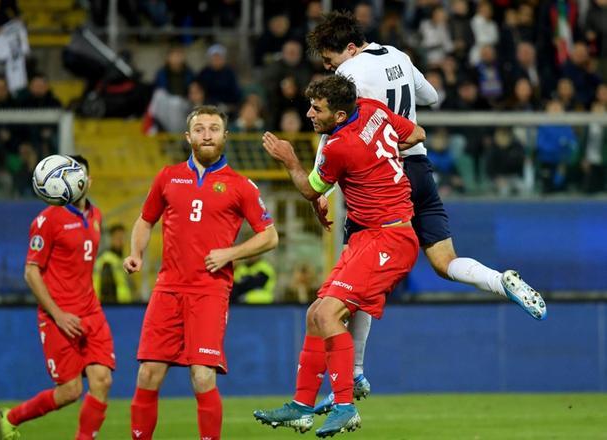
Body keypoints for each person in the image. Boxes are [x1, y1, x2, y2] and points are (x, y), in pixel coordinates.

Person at [305, 10, 547, 413]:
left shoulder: (349, 76)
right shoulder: (398, 55)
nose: (329, 68)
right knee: (443, 260)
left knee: (355, 278)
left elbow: (335, 130)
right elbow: (432, 97)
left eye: (330, 59)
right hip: (418, 167)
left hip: (381, 180)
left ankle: (356, 373)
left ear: (348, 48)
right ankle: (500, 280)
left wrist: (318, 189)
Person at [254, 74, 425, 437]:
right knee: (316, 314)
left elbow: (310, 190)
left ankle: (345, 406)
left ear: (340, 112)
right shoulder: (374, 110)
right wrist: (383, 159)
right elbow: (417, 134)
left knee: (330, 313)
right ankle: (301, 407)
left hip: (389, 237)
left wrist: (289, 159)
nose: (310, 114)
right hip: (370, 236)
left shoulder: (338, 146)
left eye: (318, 109)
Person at [123, 105, 278, 440]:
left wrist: (231, 253)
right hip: (168, 288)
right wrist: (136, 253)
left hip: (209, 291)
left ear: (225, 135)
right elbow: (146, 219)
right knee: (148, 373)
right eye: (200, 129)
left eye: (214, 128)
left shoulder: (241, 186)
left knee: (202, 376)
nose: (207, 135)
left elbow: (270, 236)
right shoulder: (167, 176)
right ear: (188, 136)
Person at [0, 155, 115, 440]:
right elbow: (30, 272)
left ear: (89, 180)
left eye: (80, 175)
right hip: (58, 317)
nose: (77, 181)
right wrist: (59, 314)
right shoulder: (47, 220)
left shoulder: (96, 216)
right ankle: (10, 418)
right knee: (70, 391)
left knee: (103, 380)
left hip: (91, 312)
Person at [94, 223, 135, 303]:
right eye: (118, 238)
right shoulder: (107, 260)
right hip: (114, 307)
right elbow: (106, 288)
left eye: (122, 237)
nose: (121, 241)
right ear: (111, 239)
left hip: (122, 305)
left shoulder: (119, 259)